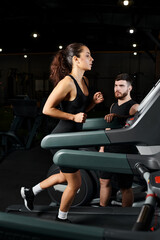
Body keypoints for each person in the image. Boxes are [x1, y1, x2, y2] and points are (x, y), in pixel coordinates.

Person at [20, 43, 104, 222]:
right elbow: (47, 109)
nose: (92, 59)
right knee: (75, 184)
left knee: (63, 176)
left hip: (72, 138)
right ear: (75, 59)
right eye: (88, 55)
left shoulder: (84, 81)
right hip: (61, 139)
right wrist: (72, 118)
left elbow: (81, 111)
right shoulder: (67, 82)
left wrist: (93, 104)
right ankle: (61, 219)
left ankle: (30, 192)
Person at [99, 73, 139, 208]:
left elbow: (134, 126)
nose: (117, 89)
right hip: (109, 149)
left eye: (121, 86)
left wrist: (118, 117)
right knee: (104, 181)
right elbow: (109, 129)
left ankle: (126, 216)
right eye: (116, 85)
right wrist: (102, 147)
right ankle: (102, 210)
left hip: (124, 151)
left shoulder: (135, 107)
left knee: (125, 187)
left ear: (129, 88)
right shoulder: (112, 106)